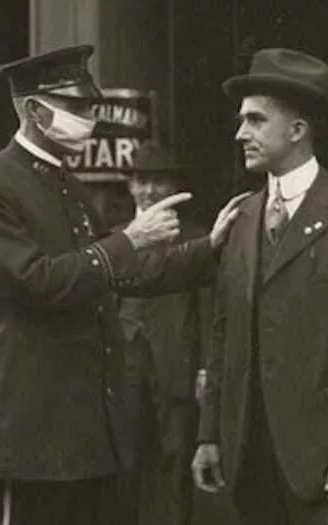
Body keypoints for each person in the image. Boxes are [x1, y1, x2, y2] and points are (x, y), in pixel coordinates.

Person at [0, 45, 246, 525]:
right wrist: (129, 240)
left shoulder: (64, 185)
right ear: (33, 110)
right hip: (31, 439)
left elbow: (122, 275)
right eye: (78, 108)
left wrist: (207, 249)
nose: (89, 119)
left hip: (90, 437)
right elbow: (37, 281)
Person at [191, 48, 328, 525]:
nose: (239, 133)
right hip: (248, 457)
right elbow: (222, 337)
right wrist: (209, 435)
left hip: (327, 457)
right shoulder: (242, 216)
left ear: (297, 130)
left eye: (255, 120)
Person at [117, 140, 212, 525]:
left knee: (175, 466)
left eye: (159, 181)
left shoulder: (197, 237)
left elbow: (207, 310)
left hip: (175, 367)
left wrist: (206, 367)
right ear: (130, 186)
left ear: (174, 187)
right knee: (123, 467)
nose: (150, 190)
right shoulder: (115, 237)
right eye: (141, 181)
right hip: (122, 368)